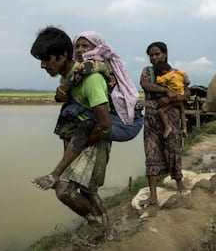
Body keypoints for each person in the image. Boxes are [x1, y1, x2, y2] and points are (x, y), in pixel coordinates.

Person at [29, 26, 112, 242]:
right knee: (88, 190)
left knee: (64, 189)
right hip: (80, 137)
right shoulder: (66, 79)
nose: (42, 65)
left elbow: (105, 124)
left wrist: (83, 145)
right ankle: (107, 230)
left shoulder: (91, 79)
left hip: (94, 136)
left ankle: (96, 225)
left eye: (46, 59)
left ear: (63, 55)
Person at [58, 31, 143, 142]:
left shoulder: (102, 63)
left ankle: (81, 146)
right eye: (77, 46)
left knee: (72, 110)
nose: (79, 50)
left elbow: (86, 67)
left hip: (127, 124)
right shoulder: (82, 69)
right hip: (115, 119)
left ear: (97, 47)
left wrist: (64, 88)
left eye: (85, 46)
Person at [139, 42, 191, 207]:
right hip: (152, 122)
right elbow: (145, 84)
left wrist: (179, 97)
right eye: (151, 55)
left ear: (165, 54)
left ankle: (179, 182)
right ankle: (153, 195)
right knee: (151, 154)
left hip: (172, 118)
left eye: (157, 54)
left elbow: (187, 91)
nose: (154, 57)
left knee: (174, 150)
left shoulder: (175, 73)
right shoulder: (148, 72)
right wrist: (165, 91)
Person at [153, 61, 189, 139]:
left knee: (161, 111)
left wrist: (159, 77)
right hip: (180, 98)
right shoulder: (180, 73)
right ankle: (185, 129)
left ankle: (167, 127)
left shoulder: (166, 76)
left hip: (172, 99)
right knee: (182, 112)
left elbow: (158, 82)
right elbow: (187, 81)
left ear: (163, 72)